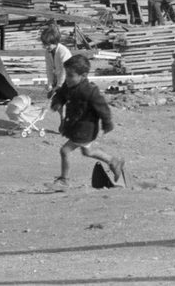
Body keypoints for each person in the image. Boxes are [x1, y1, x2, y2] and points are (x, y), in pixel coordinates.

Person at [49, 54, 126, 190]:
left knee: (64, 150)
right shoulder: (69, 85)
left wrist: (107, 123)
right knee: (88, 152)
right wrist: (57, 103)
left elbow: (102, 107)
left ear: (83, 76)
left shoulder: (89, 91)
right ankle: (113, 161)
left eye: (71, 76)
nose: (67, 79)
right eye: (66, 75)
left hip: (85, 129)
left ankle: (64, 180)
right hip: (77, 127)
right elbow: (61, 94)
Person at [40, 26, 72, 97]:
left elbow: (65, 70)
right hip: (57, 79)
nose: (46, 47)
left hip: (68, 80)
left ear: (55, 42)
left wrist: (59, 85)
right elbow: (49, 68)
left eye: (48, 45)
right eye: (44, 45)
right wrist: (50, 83)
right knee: (52, 98)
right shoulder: (47, 52)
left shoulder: (63, 51)